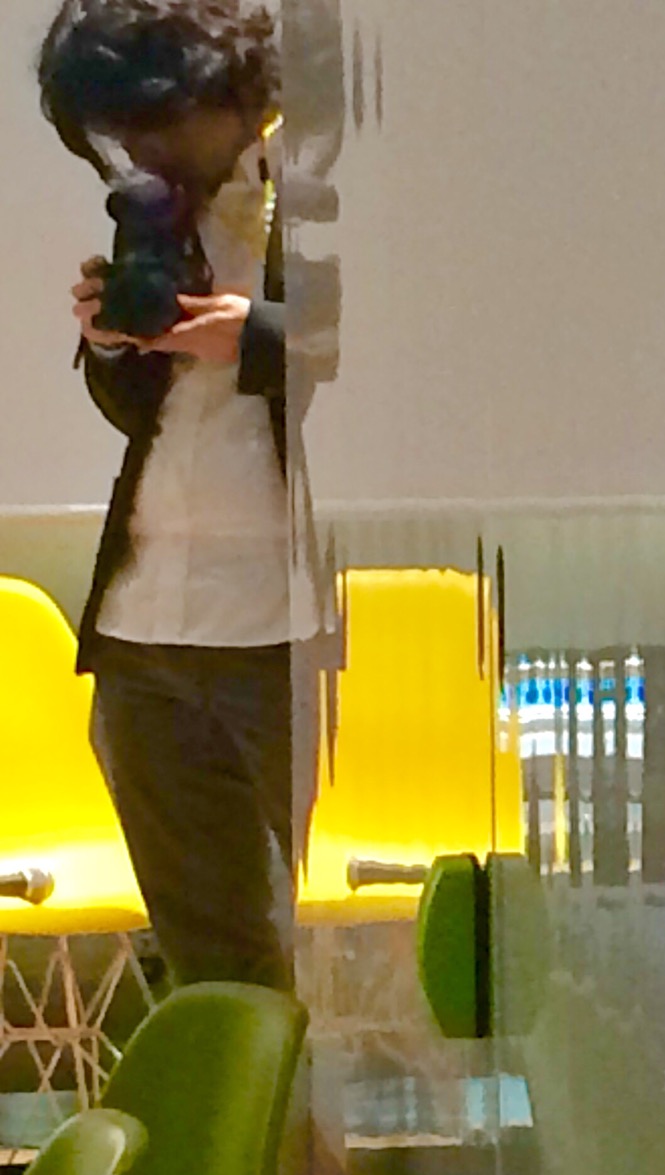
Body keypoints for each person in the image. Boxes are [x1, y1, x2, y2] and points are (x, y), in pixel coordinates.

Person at [39, 0, 331, 990]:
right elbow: (148, 419)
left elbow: (411, 369)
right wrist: (111, 344)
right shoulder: (155, 212)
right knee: (212, 964)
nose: (136, 153)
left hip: (291, 625)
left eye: (150, 126)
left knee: (335, 947)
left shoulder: (330, 190)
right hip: (145, 625)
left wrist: (256, 337)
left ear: (215, 94)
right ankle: (245, 1098)